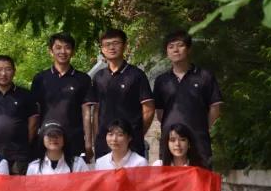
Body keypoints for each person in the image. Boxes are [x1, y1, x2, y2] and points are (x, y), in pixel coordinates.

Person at [152, 30, 223, 168]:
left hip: (199, 142)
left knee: (201, 179)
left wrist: (200, 127)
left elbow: (215, 108)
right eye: (171, 47)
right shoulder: (161, 80)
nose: (175, 50)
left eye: (180, 45)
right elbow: (160, 113)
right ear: (167, 52)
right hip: (170, 143)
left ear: (189, 49)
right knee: (170, 180)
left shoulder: (204, 76)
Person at [85, 29, 154, 159]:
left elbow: (148, 109)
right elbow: (97, 110)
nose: (111, 47)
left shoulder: (137, 75)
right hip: (105, 142)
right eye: (107, 44)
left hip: (131, 142)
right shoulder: (99, 77)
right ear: (102, 49)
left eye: (116, 43)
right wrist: (97, 137)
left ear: (125, 46)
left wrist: (136, 133)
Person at [31, 33, 93, 161]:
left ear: (73, 51)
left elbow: (86, 113)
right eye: (58, 47)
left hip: (74, 140)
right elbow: (35, 113)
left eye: (67, 47)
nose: (63, 51)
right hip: (47, 139)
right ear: (51, 51)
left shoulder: (83, 79)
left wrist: (88, 143)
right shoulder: (40, 79)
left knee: (76, 173)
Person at [0, 55, 39, 175]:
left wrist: (24, 144)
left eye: (8, 69)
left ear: (14, 71)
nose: (3, 73)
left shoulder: (26, 95)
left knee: (18, 185)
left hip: (19, 155)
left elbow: (33, 122)